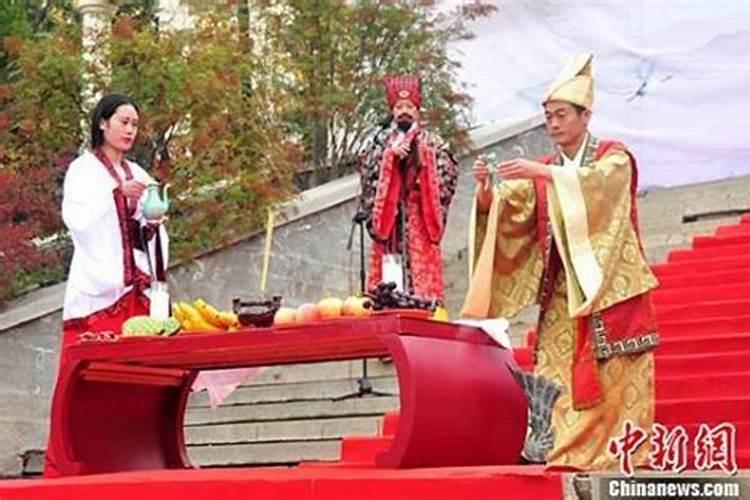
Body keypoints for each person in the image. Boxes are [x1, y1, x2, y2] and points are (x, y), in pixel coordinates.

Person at [461, 54, 659, 470]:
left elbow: (603, 188)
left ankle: (617, 456)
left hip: (610, 291)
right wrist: (485, 193)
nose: (553, 124)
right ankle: (562, 450)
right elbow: (511, 207)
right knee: (555, 375)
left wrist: (549, 176)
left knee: (616, 379)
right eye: (548, 116)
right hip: (562, 296)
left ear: (586, 116)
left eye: (561, 115)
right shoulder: (546, 169)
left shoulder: (613, 157)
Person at [59, 93, 168, 348]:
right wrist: (116, 195)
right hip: (101, 282)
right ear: (103, 123)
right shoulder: (83, 170)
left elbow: (148, 225)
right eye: (123, 122)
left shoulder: (138, 173)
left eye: (134, 124)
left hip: (138, 285)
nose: (130, 130)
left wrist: (152, 224)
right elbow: (79, 219)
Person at [358, 75, 459, 301]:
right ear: (393, 111)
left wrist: (423, 156)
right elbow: (367, 169)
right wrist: (389, 158)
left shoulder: (432, 141)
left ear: (418, 109)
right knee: (387, 284)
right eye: (399, 106)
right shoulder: (379, 142)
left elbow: (449, 170)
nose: (404, 111)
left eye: (409, 106)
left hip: (419, 218)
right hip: (390, 220)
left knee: (422, 285)